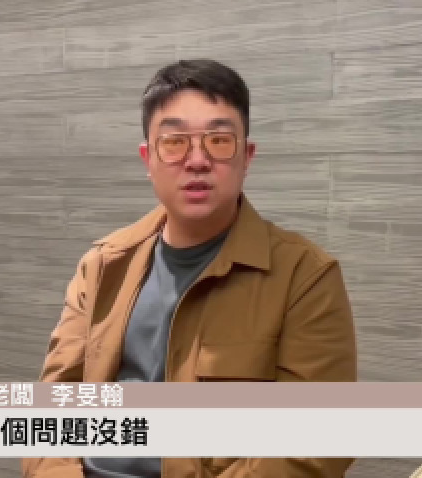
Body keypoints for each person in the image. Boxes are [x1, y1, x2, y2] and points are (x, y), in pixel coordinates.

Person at [22, 59, 357, 478]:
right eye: (174, 142)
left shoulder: (305, 277)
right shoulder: (103, 265)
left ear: (247, 156)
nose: (197, 160)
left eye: (219, 140)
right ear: (148, 158)